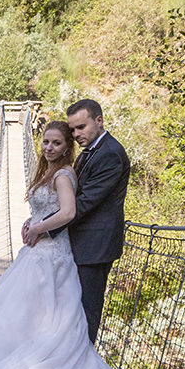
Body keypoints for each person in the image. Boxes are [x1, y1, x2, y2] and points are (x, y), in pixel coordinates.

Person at [0, 121, 134, 369]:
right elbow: (47, 210)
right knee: (27, 310)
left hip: (51, 252)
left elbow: (68, 212)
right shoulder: (48, 171)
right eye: (46, 141)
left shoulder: (62, 174)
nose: (49, 147)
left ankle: (37, 367)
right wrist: (32, 222)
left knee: (41, 310)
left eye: (56, 143)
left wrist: (37, 227)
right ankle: (22, 359)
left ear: (66, 147)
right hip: (39, 249)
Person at [23, 98, 131, 343]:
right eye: (72, 129)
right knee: (69, 310)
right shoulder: (88, 153)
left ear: (99, 120)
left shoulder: (110, 154)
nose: (76, 134)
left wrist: (42, 226)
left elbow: (83, 203)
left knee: (86, 312)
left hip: (94, 246)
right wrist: (37, 219)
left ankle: (83, 363)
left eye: (81, 127)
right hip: (78, 241)